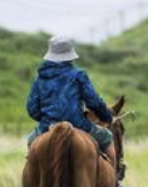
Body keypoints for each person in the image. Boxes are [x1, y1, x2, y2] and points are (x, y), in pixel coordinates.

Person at [25, 36, 117, 166]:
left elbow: (32, 109)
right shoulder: (78, 75)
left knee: (30, 142)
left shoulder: (40, 78)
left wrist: (48, 120)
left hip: (47, 126)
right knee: (107, 137)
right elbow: (94, 101)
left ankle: (33, 185)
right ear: (70, 55)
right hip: (78, 125)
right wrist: (107, 117)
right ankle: (114, 182)